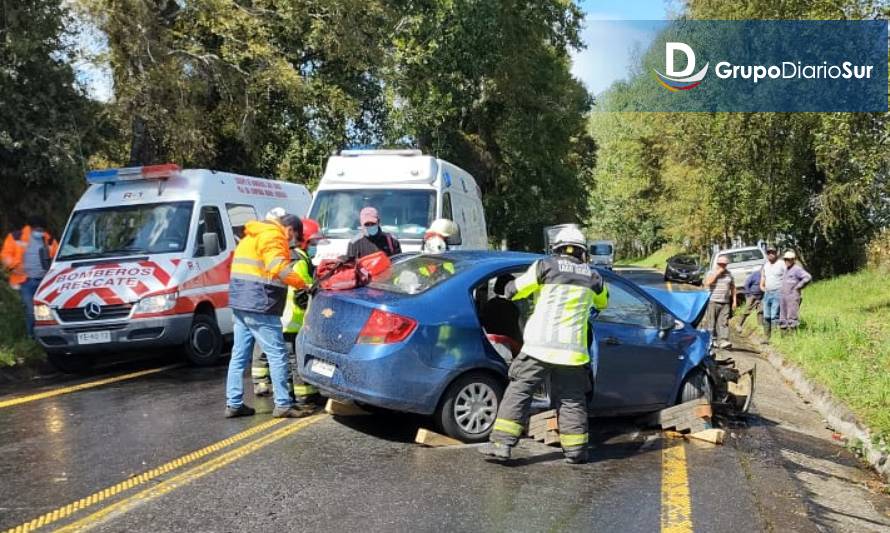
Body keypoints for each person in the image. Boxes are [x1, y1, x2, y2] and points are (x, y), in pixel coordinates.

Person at [479, 227, 608, 464]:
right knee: (571, 399)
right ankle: (576, 451)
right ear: (582, 251)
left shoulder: (545, 267)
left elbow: (515, 291)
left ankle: (501, 444)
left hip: (538, 347)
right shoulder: (593, 277)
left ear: (556, 248)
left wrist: (508, 289)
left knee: (520, 390)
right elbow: (603, 302)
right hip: (573, 353)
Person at [225, 213, 314, 419]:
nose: (292, 243)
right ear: (290, 230)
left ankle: (234, 403)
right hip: (260, 303)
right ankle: (283, 404)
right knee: (278, 355)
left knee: (239, 356)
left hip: (240, 302)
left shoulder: (253, 235)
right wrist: (303, 284)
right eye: (294, 238)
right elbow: (278, 267)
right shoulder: (273, 235)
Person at [252, 218, 324, 410]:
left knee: (281, 358)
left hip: (278, 317)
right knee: (296, 359)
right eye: (314, 243)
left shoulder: (282, 255)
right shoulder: (299, 260)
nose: (315, 247)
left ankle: (288, 393)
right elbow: (303, 291)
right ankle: (305, 396)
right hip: (294, 319)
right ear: (305, 240)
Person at [1, 216, 58, 337]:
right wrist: (14, 266)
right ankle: (31, 337)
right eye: (37, 228)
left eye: (42, 229)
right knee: (30, 311)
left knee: (46, 311)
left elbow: (57, 256)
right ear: (31, 227)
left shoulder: (49, 239)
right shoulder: (16, 237)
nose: (40, 231)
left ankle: (46, 336)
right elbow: (5, 255)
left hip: (44, 281)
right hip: (25, 281)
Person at [703, 255, 736, 349]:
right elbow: (708, 283)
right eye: (720, 264)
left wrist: (734, 301)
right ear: (717, 264)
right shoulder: (711, 273)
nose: (722, 266)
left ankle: (723, 340)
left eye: (724, 265)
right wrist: (717, 274)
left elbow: (733, 287)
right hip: (712, 301)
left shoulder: (729, 274)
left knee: (724, 322)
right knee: (711, 322)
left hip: (725, 302)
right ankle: (712, 340)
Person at [778, 251, 812, 332]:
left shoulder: (797, 269)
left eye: (789, 259)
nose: (787, 261)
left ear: (793, 260)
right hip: (784, 296)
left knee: (792, 316)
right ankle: (784, 336)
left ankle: (792, 336)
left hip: (793, 296)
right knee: (783, 316)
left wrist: (798, 287)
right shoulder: (786, 269)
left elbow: (807, 277)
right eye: (785, 259)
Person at [759, 246, 785, 342]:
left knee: (774, 315)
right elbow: (763, 278)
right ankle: (766, 337)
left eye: (772, 252)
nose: (771, 254)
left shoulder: (782, 264)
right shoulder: (765, 265)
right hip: (767, 293)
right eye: (769, 252)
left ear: (776, 253)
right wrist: (762, 287)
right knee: (766, 315)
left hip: (778, 292)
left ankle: (775, 337)